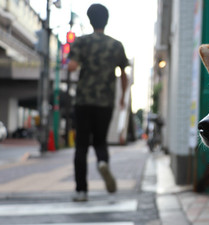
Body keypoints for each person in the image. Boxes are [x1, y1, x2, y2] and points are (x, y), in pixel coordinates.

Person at [67, 3, 129, 202]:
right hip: (105, 101)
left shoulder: (81, 42)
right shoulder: (115, 45)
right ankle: (102, 162)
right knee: (100, 141)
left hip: (83, 100)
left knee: (81, 146)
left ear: (90, 20)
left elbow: (72, 66)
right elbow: (123, 75)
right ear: (107, 20)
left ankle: (81, 191)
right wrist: (121, 97)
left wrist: (76, 63)